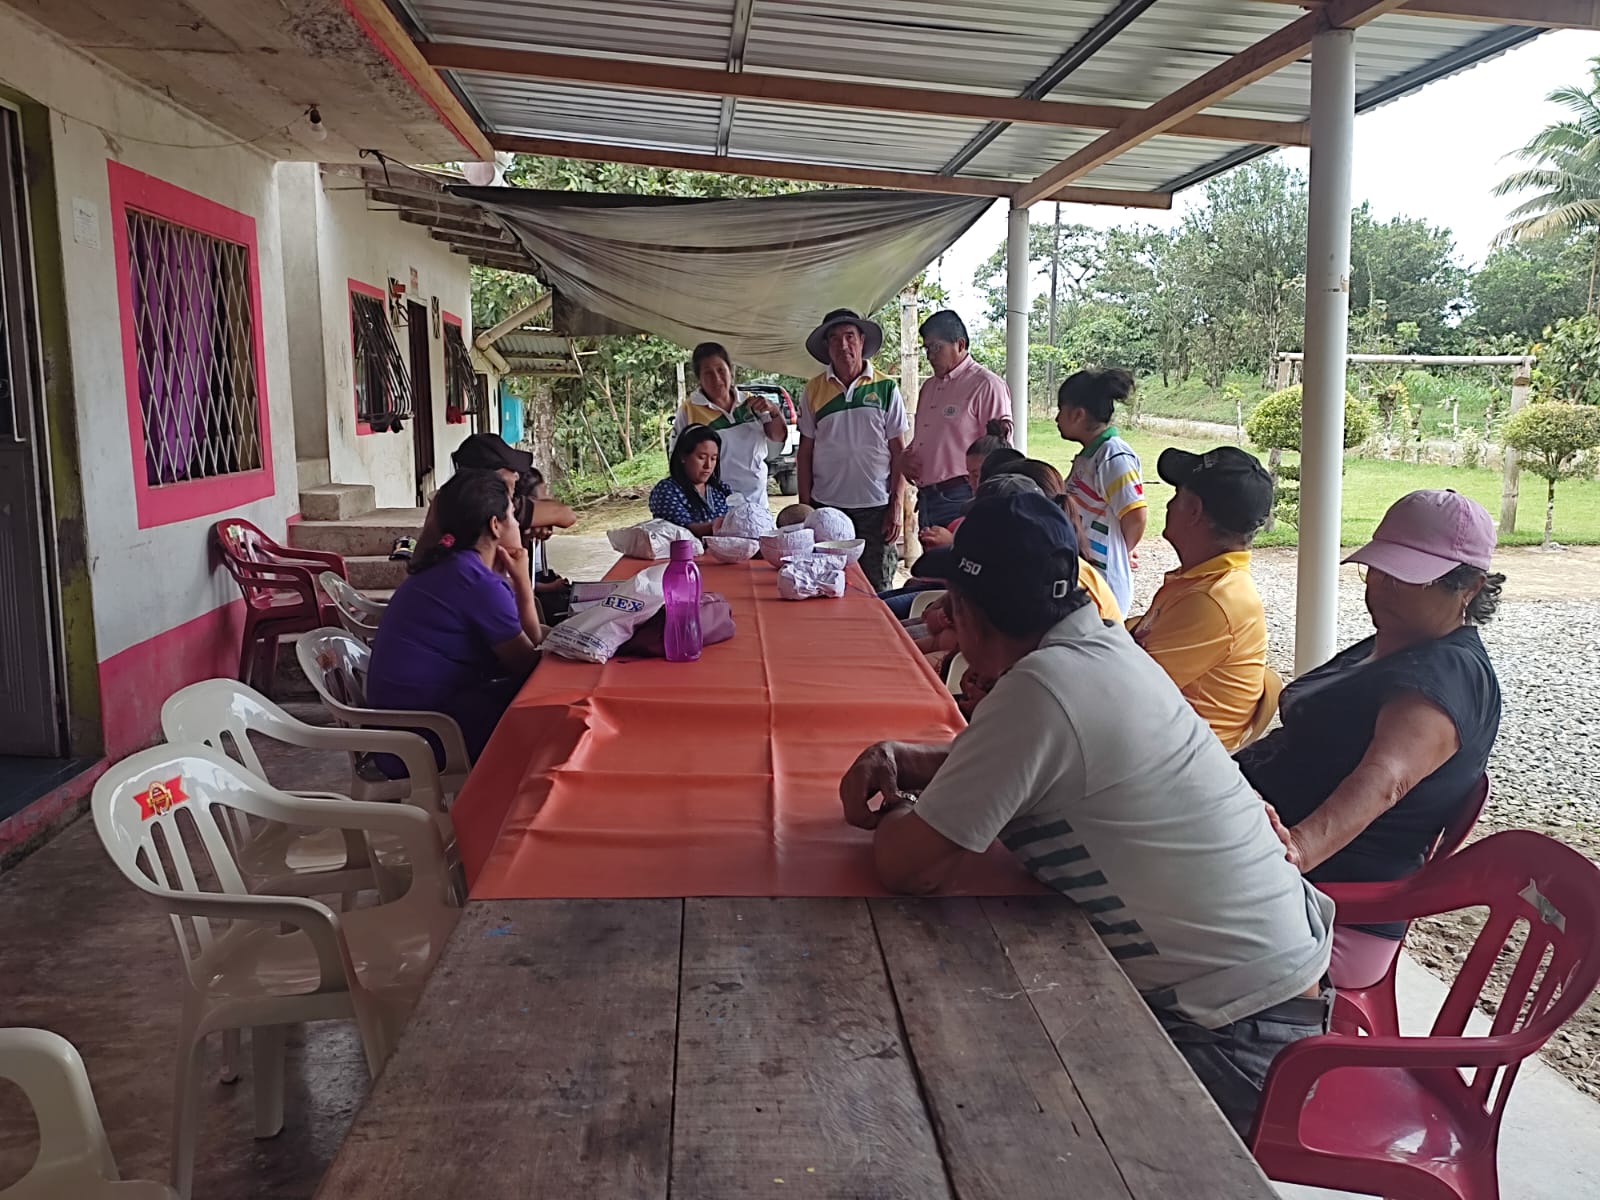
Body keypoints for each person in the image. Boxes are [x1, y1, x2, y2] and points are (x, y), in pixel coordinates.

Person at [838, 492, 1333, 1136]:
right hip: (1275, 1002)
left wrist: (908, 806)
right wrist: (909, 759)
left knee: (959, 1093)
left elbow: (907, 867)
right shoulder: (1100, 650)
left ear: (965, 610)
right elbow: (1022, 758)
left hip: (1231, 1040)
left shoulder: (1042, 690)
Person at [1240, 489, 1504, 990]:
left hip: (1325, 906)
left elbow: (1387, 779)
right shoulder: (1396, 640)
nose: (1383, 586)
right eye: (1379, 569)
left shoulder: (1449, 673)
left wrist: (1295, 851)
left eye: (1408, 577)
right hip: (1270, 868)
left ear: (1470, 587)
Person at [368, 469, 544, 766]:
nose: (518, 524)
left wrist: (518, 584)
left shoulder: (451, 565)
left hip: (400, 730)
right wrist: (523, 584)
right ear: (495, 525)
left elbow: (528, 647)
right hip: (424, 738)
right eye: (513, 516)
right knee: (550, 716)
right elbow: (528, 664)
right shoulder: (476, 582)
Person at [1128, 448, 1273, 750]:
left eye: (1177, 494)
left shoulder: (1212, 601)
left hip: (1175, 762)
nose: (1169, 503)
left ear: (1193, 510)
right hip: (1163, 745)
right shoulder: (1205, 583)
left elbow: (1122, 689)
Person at [797, 307, 908, 591]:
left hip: (876, 509)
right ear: (827, 347)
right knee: (827, 585)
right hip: (827, 507)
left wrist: (896, 505)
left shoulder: (886, 389)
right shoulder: (813, 391)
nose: (843, 345)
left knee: (876, 589)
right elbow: (805, 452)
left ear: (861, 341)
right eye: (834, 339)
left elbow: (899, 452)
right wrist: (806, 508)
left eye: (849, 336)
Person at [901, 310, 1012, 530]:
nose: (930, 356)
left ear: (960, 345)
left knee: (962, 551)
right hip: (927, 497)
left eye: (936, 347)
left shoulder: (986, 385)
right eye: (926, 349)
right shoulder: (929, 387)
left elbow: (1000, 450)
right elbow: (925, 438)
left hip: (962, 496)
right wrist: (906, 458)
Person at [1056, 369, 1146, 614]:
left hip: (1104, 583)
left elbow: (1136, 516)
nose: (1056, 418)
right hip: (1088, 576)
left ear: (1077, 414)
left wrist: (1121, 551)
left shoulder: (1113, 456)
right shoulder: (1092, 456)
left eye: (1060, 410)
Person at [672, 342, 787, 509]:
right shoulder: (688, 411)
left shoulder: (750, 402)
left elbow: (778, 436)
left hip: (757, 501)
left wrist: (773, 410)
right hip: (715, 506)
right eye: (708, 373)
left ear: (730, 371)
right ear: (699, 379)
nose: (716, 379)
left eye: (721, 370)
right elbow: (678, 462)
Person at [915, 421, 1012, 552]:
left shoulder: (1013, 516)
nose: (970, 482)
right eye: (968, 475)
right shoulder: (965, 520)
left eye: (976, 475)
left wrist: (952, 543)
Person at [650, 426, 731, 538]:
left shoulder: (721, 489)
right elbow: (686, 530)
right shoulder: (667, 490)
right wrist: (726, 525)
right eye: (701, 457)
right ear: (683, 456)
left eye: (713, 459)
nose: (708, 465)